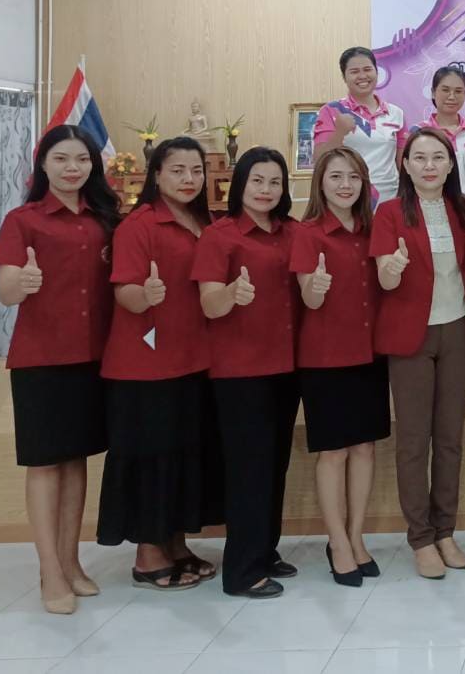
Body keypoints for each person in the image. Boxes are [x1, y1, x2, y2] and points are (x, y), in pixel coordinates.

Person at [0, 126, 121, 615]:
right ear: (43, 164)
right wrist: (22, 282)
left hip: (94, 357)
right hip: (41, 359)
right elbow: (6, 293)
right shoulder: (22, 221)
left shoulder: (104, 220)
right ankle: (49, 570)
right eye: (62, 159)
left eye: (82, 160)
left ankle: (71, 562)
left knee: (76, 461)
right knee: (46, 464)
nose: (72, 168)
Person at [98, 136, 219, 594]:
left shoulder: (205, 221)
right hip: (145, 365)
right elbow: (124, 291)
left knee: (183, 455)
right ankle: (148, 554)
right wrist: (144, 295)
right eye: (178, 170)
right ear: (157, 175)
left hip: (195, 358)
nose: (189, 179)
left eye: (196, 171)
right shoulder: (140, 224)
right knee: (151, 458)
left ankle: (176, 543)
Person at [374, 128, 465, 579]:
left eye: (437, 157)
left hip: (457, 331)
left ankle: (445, 531)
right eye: (419, 158)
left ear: (450, 164)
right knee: (413, 441)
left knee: (449, 438)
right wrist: (392, 267)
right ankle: (420, 537)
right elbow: (384, 278)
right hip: (411, 337)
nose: (429, 166)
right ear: (405, 165)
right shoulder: (389, 213)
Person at [192, 146, 301, 598]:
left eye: (275, 182)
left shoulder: (291, 231)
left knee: (274, 463)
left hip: (287, 365)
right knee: (248, 470)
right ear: (240, 185)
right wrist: (232, 294)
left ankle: (264, 550)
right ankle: (240, 570)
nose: (266, 190)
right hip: (240, 370)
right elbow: (208, 302)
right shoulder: (219, 235)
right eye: (257, 181)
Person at [289, 146, 389, 588]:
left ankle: (356, 535)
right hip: (324, 358)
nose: (345, 185)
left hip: (370, 353)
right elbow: (308, 299)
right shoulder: (308, 233)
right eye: (335, 177)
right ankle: (337, 542)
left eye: (353, 177)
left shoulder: (374, 230)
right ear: (321, 184)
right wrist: (316, 285)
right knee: (333, 452)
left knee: (365, 448)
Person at [314, 46, 406, 204]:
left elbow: (402, 164)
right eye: (354, 71)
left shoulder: (396, 113)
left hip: (389, 199)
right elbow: (320, 160)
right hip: (348, 198)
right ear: (344, 77)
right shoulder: (331, 110)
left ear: (376, 72)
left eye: (367, 69)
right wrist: (340, 133)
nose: (362, 76)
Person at [403, 65, 465, 196]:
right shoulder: (419, 132)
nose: (452, 97)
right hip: (430, 202)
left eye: (458, 91)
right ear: (433, 92)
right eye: (445, 90)